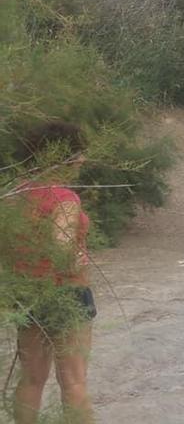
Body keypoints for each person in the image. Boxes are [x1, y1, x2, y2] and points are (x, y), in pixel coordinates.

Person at [10, 122, 96, 424]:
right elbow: (63, 252)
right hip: (66, 295)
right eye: (79, 154)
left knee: (31, 379)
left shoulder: (16, 195)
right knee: (73, 382)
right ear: (63, 155)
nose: (82, 160)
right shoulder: (65, 198)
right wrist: (77, 260)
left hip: (28, 293)